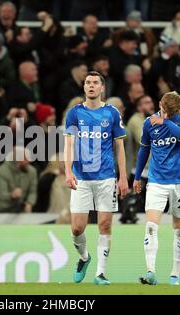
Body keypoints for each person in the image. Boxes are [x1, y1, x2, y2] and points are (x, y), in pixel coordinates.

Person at [64, 71, 129, 285]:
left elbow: (119, 146)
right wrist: (68, 170)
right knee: (77, 228)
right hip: (81, 178)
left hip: (106, 178)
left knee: (105, 224)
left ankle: (100, 273)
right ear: (84, 88)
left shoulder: (111, 113)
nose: (91, 86)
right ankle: (84, 257)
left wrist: (123, 177)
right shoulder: (74, 114)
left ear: (102, 88)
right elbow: (69, 144)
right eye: (87, 83)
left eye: (95, 83)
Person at [133, 91, 180, 286]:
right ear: (159, 104)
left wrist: (166, 122)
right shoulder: (149, 123)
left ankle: (175, 275)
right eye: (164, 111)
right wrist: (136, 176)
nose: (166, 115)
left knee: (179, 229)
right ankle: (151, 271)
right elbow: (144, 148)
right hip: (157, 181)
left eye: (171, 113)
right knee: (151, 226)